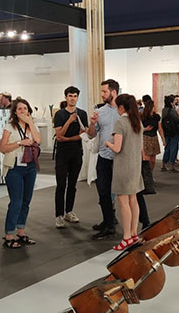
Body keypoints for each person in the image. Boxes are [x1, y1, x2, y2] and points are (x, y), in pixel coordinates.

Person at [87, 79, 149, 239]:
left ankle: (143, 224)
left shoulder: (125, 114)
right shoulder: (100, 112)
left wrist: (140, 155)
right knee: (104, 192)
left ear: (113, 92)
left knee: (132, 194)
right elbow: (92, 134)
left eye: (104, 91)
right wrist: (92, 124)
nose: (102, 94)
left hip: (123, 160)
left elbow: (131, 139)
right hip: (105, 157)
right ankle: (109, 223)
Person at [0, 98, 41, 249]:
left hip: (30, 166)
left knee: (26, 201)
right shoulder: (9, 127)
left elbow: (38, 140)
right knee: (16, 201)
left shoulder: (32, 125)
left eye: (25, 108)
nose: (23, 111)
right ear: (15, 112)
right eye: (19, 109)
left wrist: (30, 123)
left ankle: (21, 232)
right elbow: (2, 148)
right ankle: (9, 235)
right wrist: (19, 143)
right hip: (14, 167)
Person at [104, 94, 144, 251]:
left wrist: (107, 143)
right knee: (133, 200)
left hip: (123, 168)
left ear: (121, 107)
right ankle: (134, 234)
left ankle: (126, 237)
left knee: (123, 203)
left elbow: (117, 148)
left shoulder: (120, 122)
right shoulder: (137, 122)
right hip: (135, 166)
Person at [53, 86, 88, 229]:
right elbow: (59, 135)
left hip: (76, 152)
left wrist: (68, 139)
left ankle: (69, 211)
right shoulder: (59, 114)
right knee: (61, 184)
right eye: (70, 96)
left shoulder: (82, 114)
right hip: (62, 153)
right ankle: (59, 215)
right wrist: (69, 121)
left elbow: (84, 134)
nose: (72, 98)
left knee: (72, 184)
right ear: (66, 97)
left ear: (77, 97)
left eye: (75, 96)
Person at [141, 98, 164, 171]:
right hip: (145, 138)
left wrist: (163, 139)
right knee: (146, 159)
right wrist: (145, 129)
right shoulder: (142, 116)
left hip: (154, 137)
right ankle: (146, 174)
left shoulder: (156, 116)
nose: (155, 108)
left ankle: (150, 172)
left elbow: (160, 128)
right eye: (154, 106)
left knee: (153, 160)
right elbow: (138, 128)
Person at [161, 95, 179, 172]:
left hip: (166, 131)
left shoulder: (163, 110)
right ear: (171, 102)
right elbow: (177, 120)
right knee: (173, 148)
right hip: (173, 131)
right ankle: (171, 164)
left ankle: (163, 163)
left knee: (167, 147)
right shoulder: (172, 111)